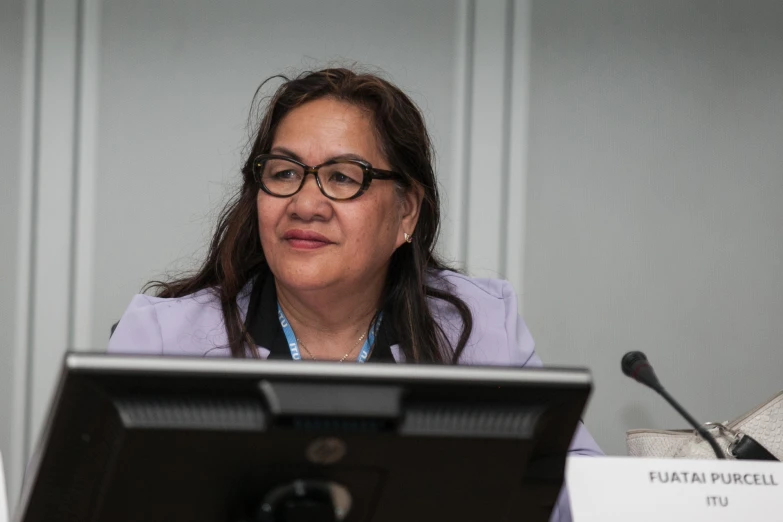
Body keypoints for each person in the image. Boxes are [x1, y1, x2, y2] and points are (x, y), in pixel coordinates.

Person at [108, 67, 602, 520]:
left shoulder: (481, 330)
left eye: (343, 178)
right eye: (284, 173)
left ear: (406, 212)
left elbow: (580, 498)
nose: (305, 204)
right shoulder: (163, 340)